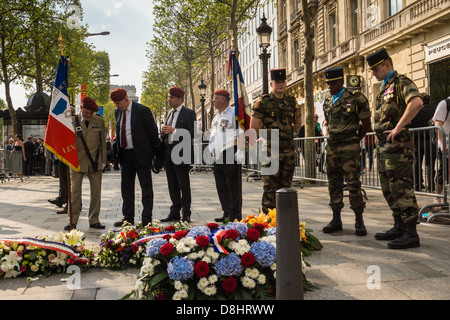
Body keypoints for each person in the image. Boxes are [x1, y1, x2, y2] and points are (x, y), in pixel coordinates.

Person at [366, 48, 423, 249]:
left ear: (387, 65)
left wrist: (399, 127)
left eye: (375, 68)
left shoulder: (401, 82)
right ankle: (399, 225)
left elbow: (416, 102)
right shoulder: (384, 87)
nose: (373, 72)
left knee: (401, 189)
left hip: (399, 148)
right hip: (385, 148)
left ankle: (411, 233)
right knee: (388, 189)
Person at [321, 67, 372, 236]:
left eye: (333, 83)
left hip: (349, 146)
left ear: (341, 81)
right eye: (328, 83)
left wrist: (356, 139)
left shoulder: (356, 98)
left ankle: (359, 220)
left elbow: (365, 123)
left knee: (353, 183)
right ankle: (336, 219)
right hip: (333, 146)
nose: (330, 86)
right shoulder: (327, 101)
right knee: (333, 183)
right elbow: (328, 122)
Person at [250, 69, 302, 213]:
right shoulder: (263, 102)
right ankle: (267, 222)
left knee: (286, 188)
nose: (280, 85)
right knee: (270, 188)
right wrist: (269, 137)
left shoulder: (292, 102)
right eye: (277, 82)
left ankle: (284, 220)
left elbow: (298, 123)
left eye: (283, 82)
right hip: (270, 151)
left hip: (288, 151)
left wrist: (287, 133)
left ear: (286, 83)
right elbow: (254, 126)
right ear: (271, 84)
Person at [111, 88, 160, 227]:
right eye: (115, 104)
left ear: (127, 99)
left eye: (118, 103)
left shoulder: (143, 110)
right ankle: (128, 217)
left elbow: (153, 133)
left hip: (141, 154)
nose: (117, 106)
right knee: (126, 188)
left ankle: (146, 218)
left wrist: (151, 154)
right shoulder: (117, 112)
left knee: (146, 187)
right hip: (125, 155)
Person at [65, 97, 107, 230]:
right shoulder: (72, 121)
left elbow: (103, 143)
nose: (88, 115)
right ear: (81, 109)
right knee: (75, 193)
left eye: (90, 113)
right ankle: (72, 220)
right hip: (76, 162)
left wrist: (104, 161)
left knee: (96, 192)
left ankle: (94, 220)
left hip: (95, 162)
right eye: (86, 112)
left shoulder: (99, 121)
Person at [160, 87, 196, 223]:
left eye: (171, 97)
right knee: (172, 183)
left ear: (180, 99)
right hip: (169, 151)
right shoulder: (169, 114)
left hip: (182, 151)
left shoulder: (189, 113)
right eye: (168, 97)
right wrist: (164, 133)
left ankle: (186, 213)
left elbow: (193, 133)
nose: (168, 100)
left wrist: (175, 131)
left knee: (183, 184)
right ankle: (174, 211)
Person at [208, 89, 244, 223]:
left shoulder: (233, 113)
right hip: (218, 153)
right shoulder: (216, 116)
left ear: (223, 99)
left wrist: (240, 150)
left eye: (215, 98)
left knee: (232, 185)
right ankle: (226, 211)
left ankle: (235, 214)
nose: (213, 101)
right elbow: (214, 134)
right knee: (221, 185)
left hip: (230, 151)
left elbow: (241, 131)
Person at [410, 93, 437, 192]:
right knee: (430, 164)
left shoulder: (416, 110)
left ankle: (417, 186)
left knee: (417, 163)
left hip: (416, 139)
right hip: (429, 139)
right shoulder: (435, 108)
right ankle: (431, 186)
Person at [432, 94, 450, 211]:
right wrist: (443, 143)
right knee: (443, 172)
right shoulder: (445, 104)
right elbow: (438, 126)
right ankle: (437, 198)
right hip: (446, 145)